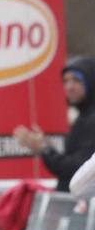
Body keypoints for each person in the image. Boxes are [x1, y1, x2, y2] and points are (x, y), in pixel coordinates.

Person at [13, 55, 95, 191]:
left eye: (76, 80)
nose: (69, 87)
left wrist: (45, 150)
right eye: (65, 81)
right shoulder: (83, 118)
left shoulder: (91, 120)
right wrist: (47, 147)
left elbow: (79, 170)